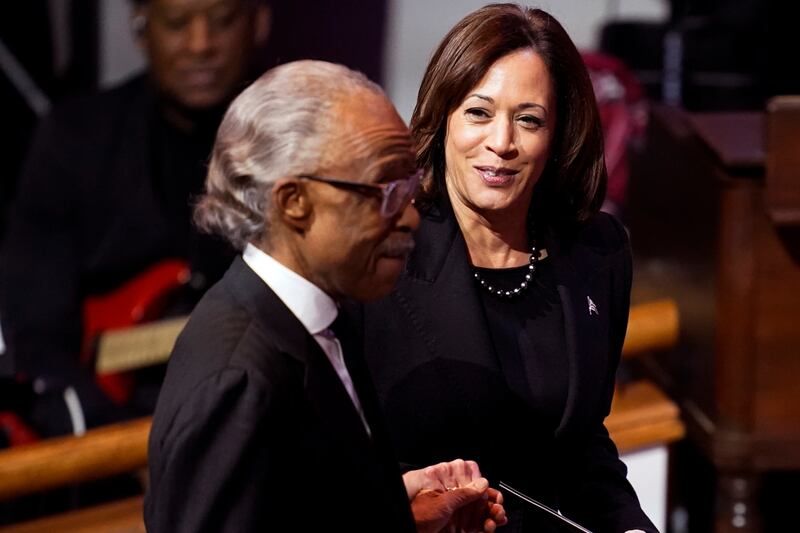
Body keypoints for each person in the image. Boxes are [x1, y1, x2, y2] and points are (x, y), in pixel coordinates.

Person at [145, 60, 507, 533]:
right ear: (294, 201)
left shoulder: (320, 317)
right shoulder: (238, 381)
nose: (411, 217)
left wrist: (395, 507)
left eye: (410, 189)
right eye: (384, 191)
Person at [358, 4, 657, 532]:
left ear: (558, 135)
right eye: (479, 112)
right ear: (443, 116)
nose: (501, 143)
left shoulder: (598, 252)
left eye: (528, 119)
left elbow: (583, 444)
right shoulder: (381, 254)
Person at [0, 0, 271, 437]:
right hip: (103, 437)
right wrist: (122, 442)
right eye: (178, 23)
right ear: (141, 28)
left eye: (223, 21)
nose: (201, 45)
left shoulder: (296, 145)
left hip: (253, 423)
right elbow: (36, 336)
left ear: (259, 21)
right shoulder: (74, 138)